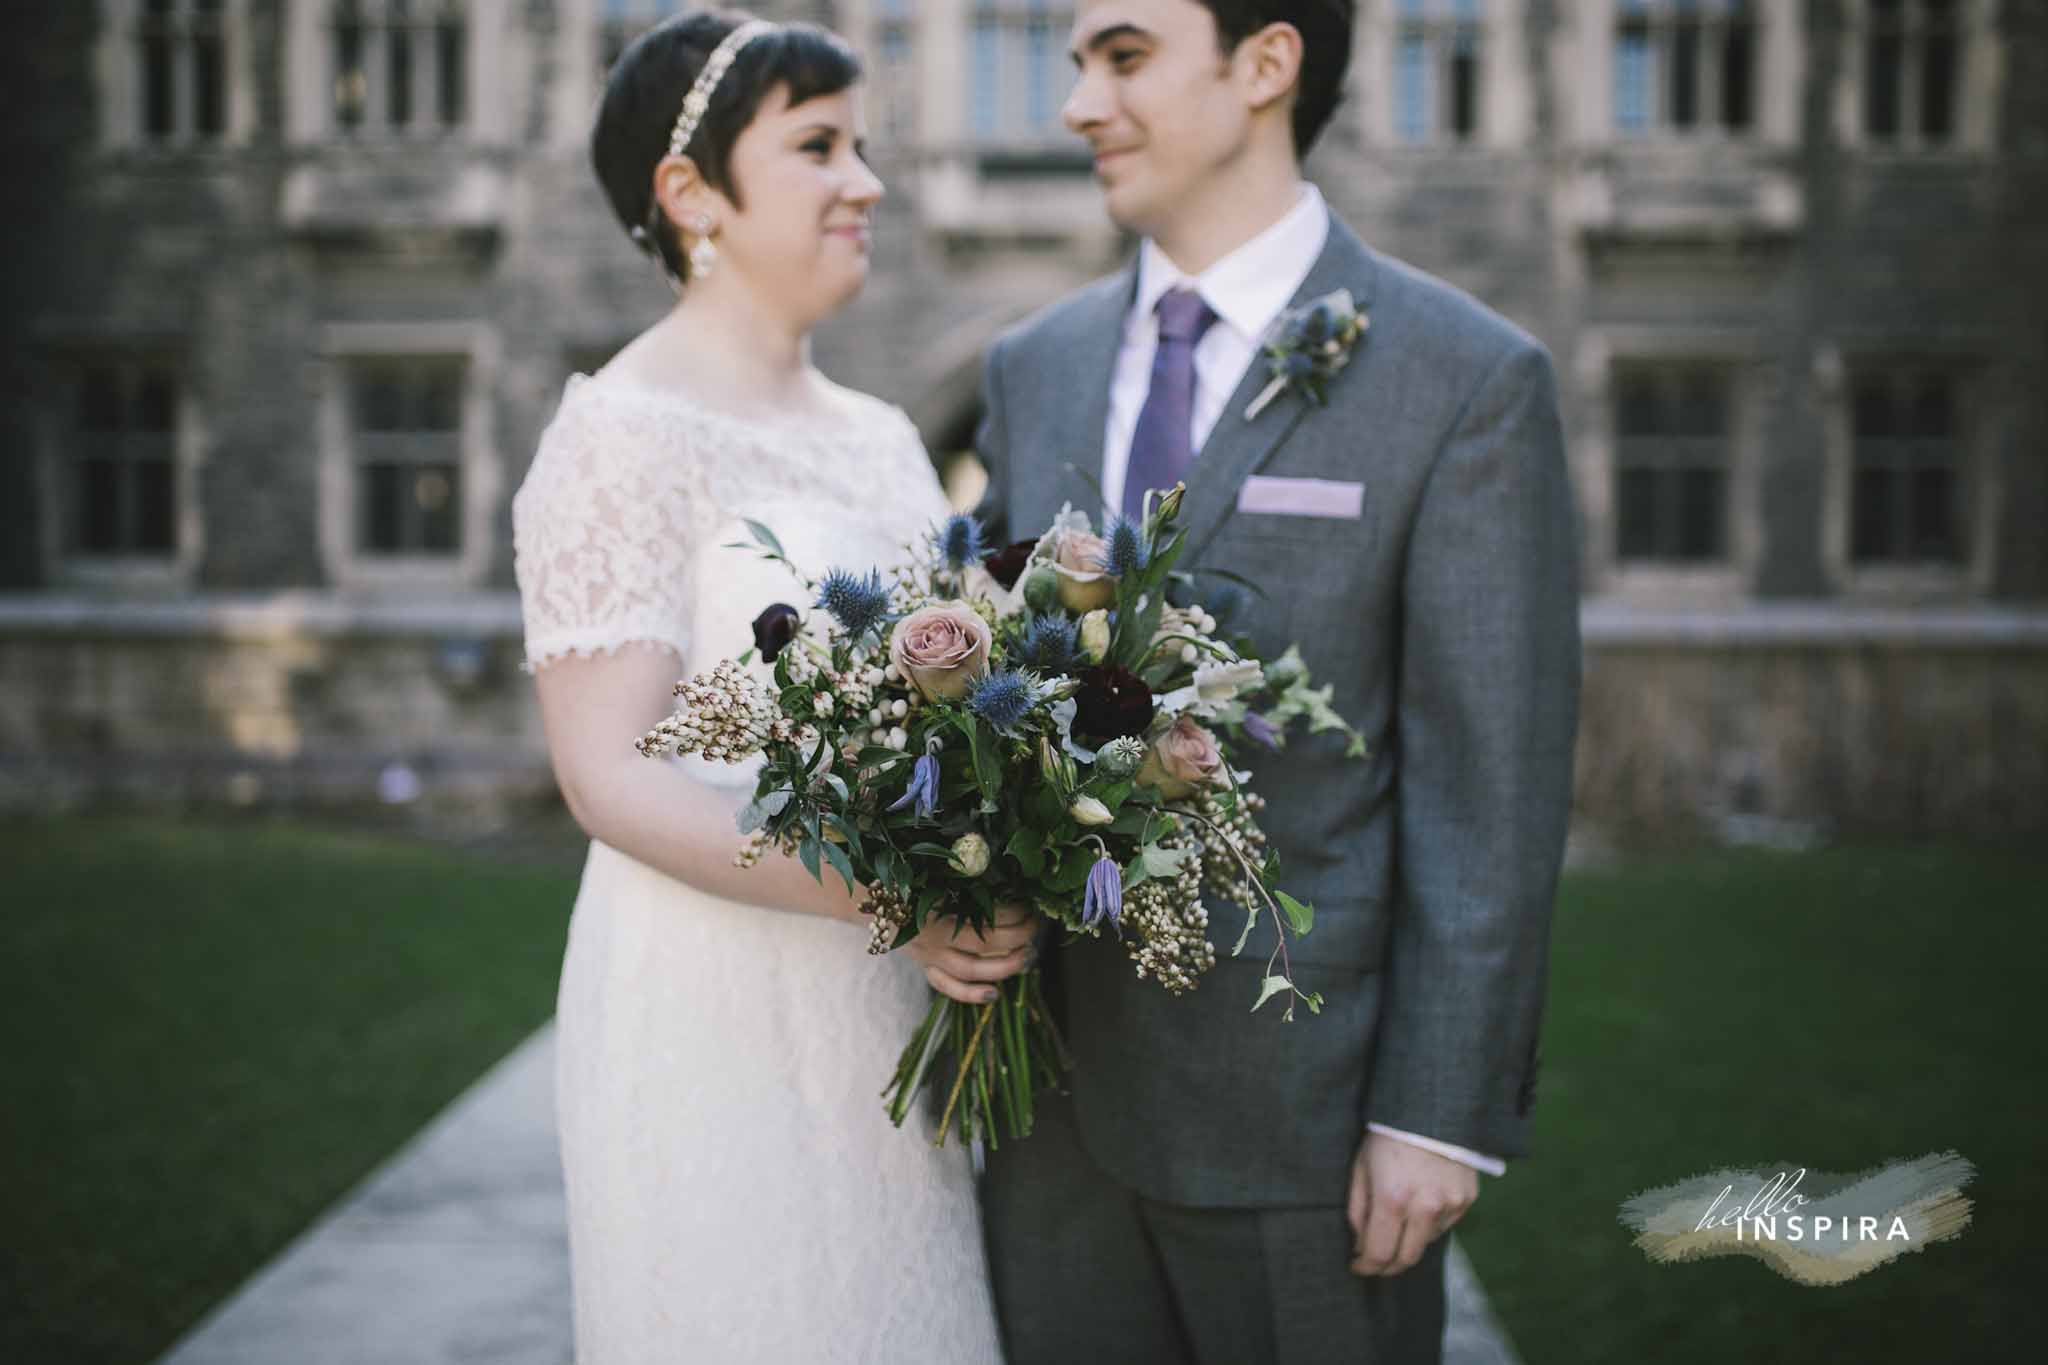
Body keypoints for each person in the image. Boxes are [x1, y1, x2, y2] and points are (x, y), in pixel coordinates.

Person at [973, 2, 1582, 1361]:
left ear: (1265, 64)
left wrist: (1437, 1108)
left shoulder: (1467, 378)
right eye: (1077, 62)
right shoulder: (1033, 367)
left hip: (1305, 1118)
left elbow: (1493, 781)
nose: (1077, 101)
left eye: (1121, 55)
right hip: (1045, 1114)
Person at [510, 12, 1023, 1361]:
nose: (866, 183)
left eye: (862, 147)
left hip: (894, 1004)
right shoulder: (620, 432)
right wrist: (885, 886)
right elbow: (607, 772)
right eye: (818, 147)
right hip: (709, 1003)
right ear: (692, 196)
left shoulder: (889, 439)